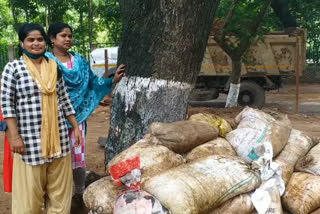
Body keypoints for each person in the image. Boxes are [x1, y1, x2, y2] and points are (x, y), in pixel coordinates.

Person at [0, 23, 81, 214]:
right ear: (22, 43)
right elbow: (7, 105)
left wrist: (75, 127)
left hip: (58, 139)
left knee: (60, 194)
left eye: (40, 39)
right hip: (29, 142)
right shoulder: (14, 68)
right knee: (30, 198)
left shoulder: (54, 67)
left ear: (45, 42)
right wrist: (14, 136)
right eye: (31, 40)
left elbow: (65, 100)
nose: (36, 43)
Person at [46, 22, 125, 207]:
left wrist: (111, 80)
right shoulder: (46, 61)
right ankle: (55, 196)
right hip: (52, 120)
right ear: (52, 38)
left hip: (77, 119)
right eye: (63, 35)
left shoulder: (80, 61)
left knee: (78, 156)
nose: (68, 39)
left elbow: (93, 82)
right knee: (55, 159)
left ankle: (79, 193)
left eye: (70, 36)